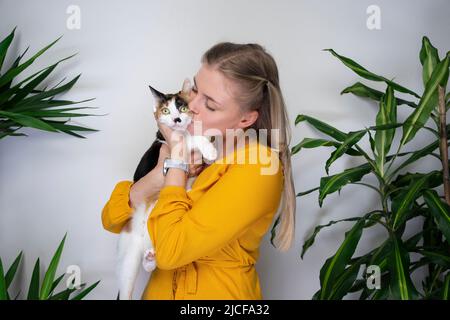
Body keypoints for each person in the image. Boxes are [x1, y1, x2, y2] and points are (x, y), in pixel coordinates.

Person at [101, 42, 296, 300]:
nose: (191, 105)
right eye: (195, 89)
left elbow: (169, 252)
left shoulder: (260, 167)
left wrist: (177, 160)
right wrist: (160, 174)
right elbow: (112, 218)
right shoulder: (203, 151)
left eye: (211, 105)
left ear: (246, 120)